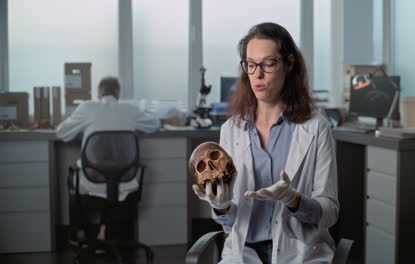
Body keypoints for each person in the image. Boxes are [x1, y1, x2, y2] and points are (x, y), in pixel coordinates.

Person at [192, 22, 339, 263]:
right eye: (250, 65)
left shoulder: (316, 127)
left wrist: (293, 199)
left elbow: (330, 212)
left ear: (289, 64)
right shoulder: (232, 130)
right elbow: (229, 223)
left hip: (299, 252)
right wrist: (221, 206)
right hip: (243, 252)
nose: (258, 74)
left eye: (268, 64)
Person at [56, 76, 158, 244]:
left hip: (92, 180)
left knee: (72, 177)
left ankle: (79, 231)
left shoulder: (88, 108)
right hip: (125, 179)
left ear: (99, 93)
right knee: (112, 178)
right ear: (118, 94)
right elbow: (154, 124)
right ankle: (104, 230)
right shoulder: (129, 109)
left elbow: (62, 133)